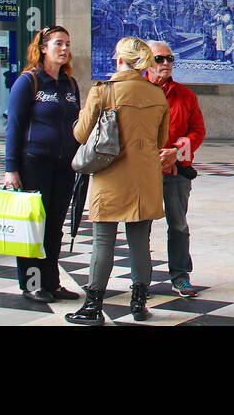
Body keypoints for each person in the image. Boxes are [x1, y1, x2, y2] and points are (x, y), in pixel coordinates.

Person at [67, 38, 170, 326]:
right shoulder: (157, 94)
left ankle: (92, 306)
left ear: (119, 59)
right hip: (146, 177)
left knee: (103, 242)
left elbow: (80, 134)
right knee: (140, 242)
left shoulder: (102, 91)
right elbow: (161, 141)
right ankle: (139, 303)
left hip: (110, 175)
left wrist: (80, 116)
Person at [3, 26, 81, 302]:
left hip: (64, 166)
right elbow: (14, 125)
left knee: (55, 225)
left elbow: (77, 125)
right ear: (43, 48)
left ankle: (52, 282)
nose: (64, 49)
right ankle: (33, 283)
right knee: (34, 226)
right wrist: (10, 168)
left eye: (67, 44)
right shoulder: (28, 81)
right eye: (59, 43)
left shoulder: (70, 85)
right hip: (33, 163)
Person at [146, 40, 206, 297]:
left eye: (170, 58)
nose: (167, 63)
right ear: (147, 62)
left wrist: (176, 151)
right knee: (141, 227)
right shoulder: (137, 93)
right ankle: (141, 280)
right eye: (160, 59)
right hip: (144, 172)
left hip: (177, 171)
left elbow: (198, 130)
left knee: (179, 225)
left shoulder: (185, 95)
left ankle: (180, 275)